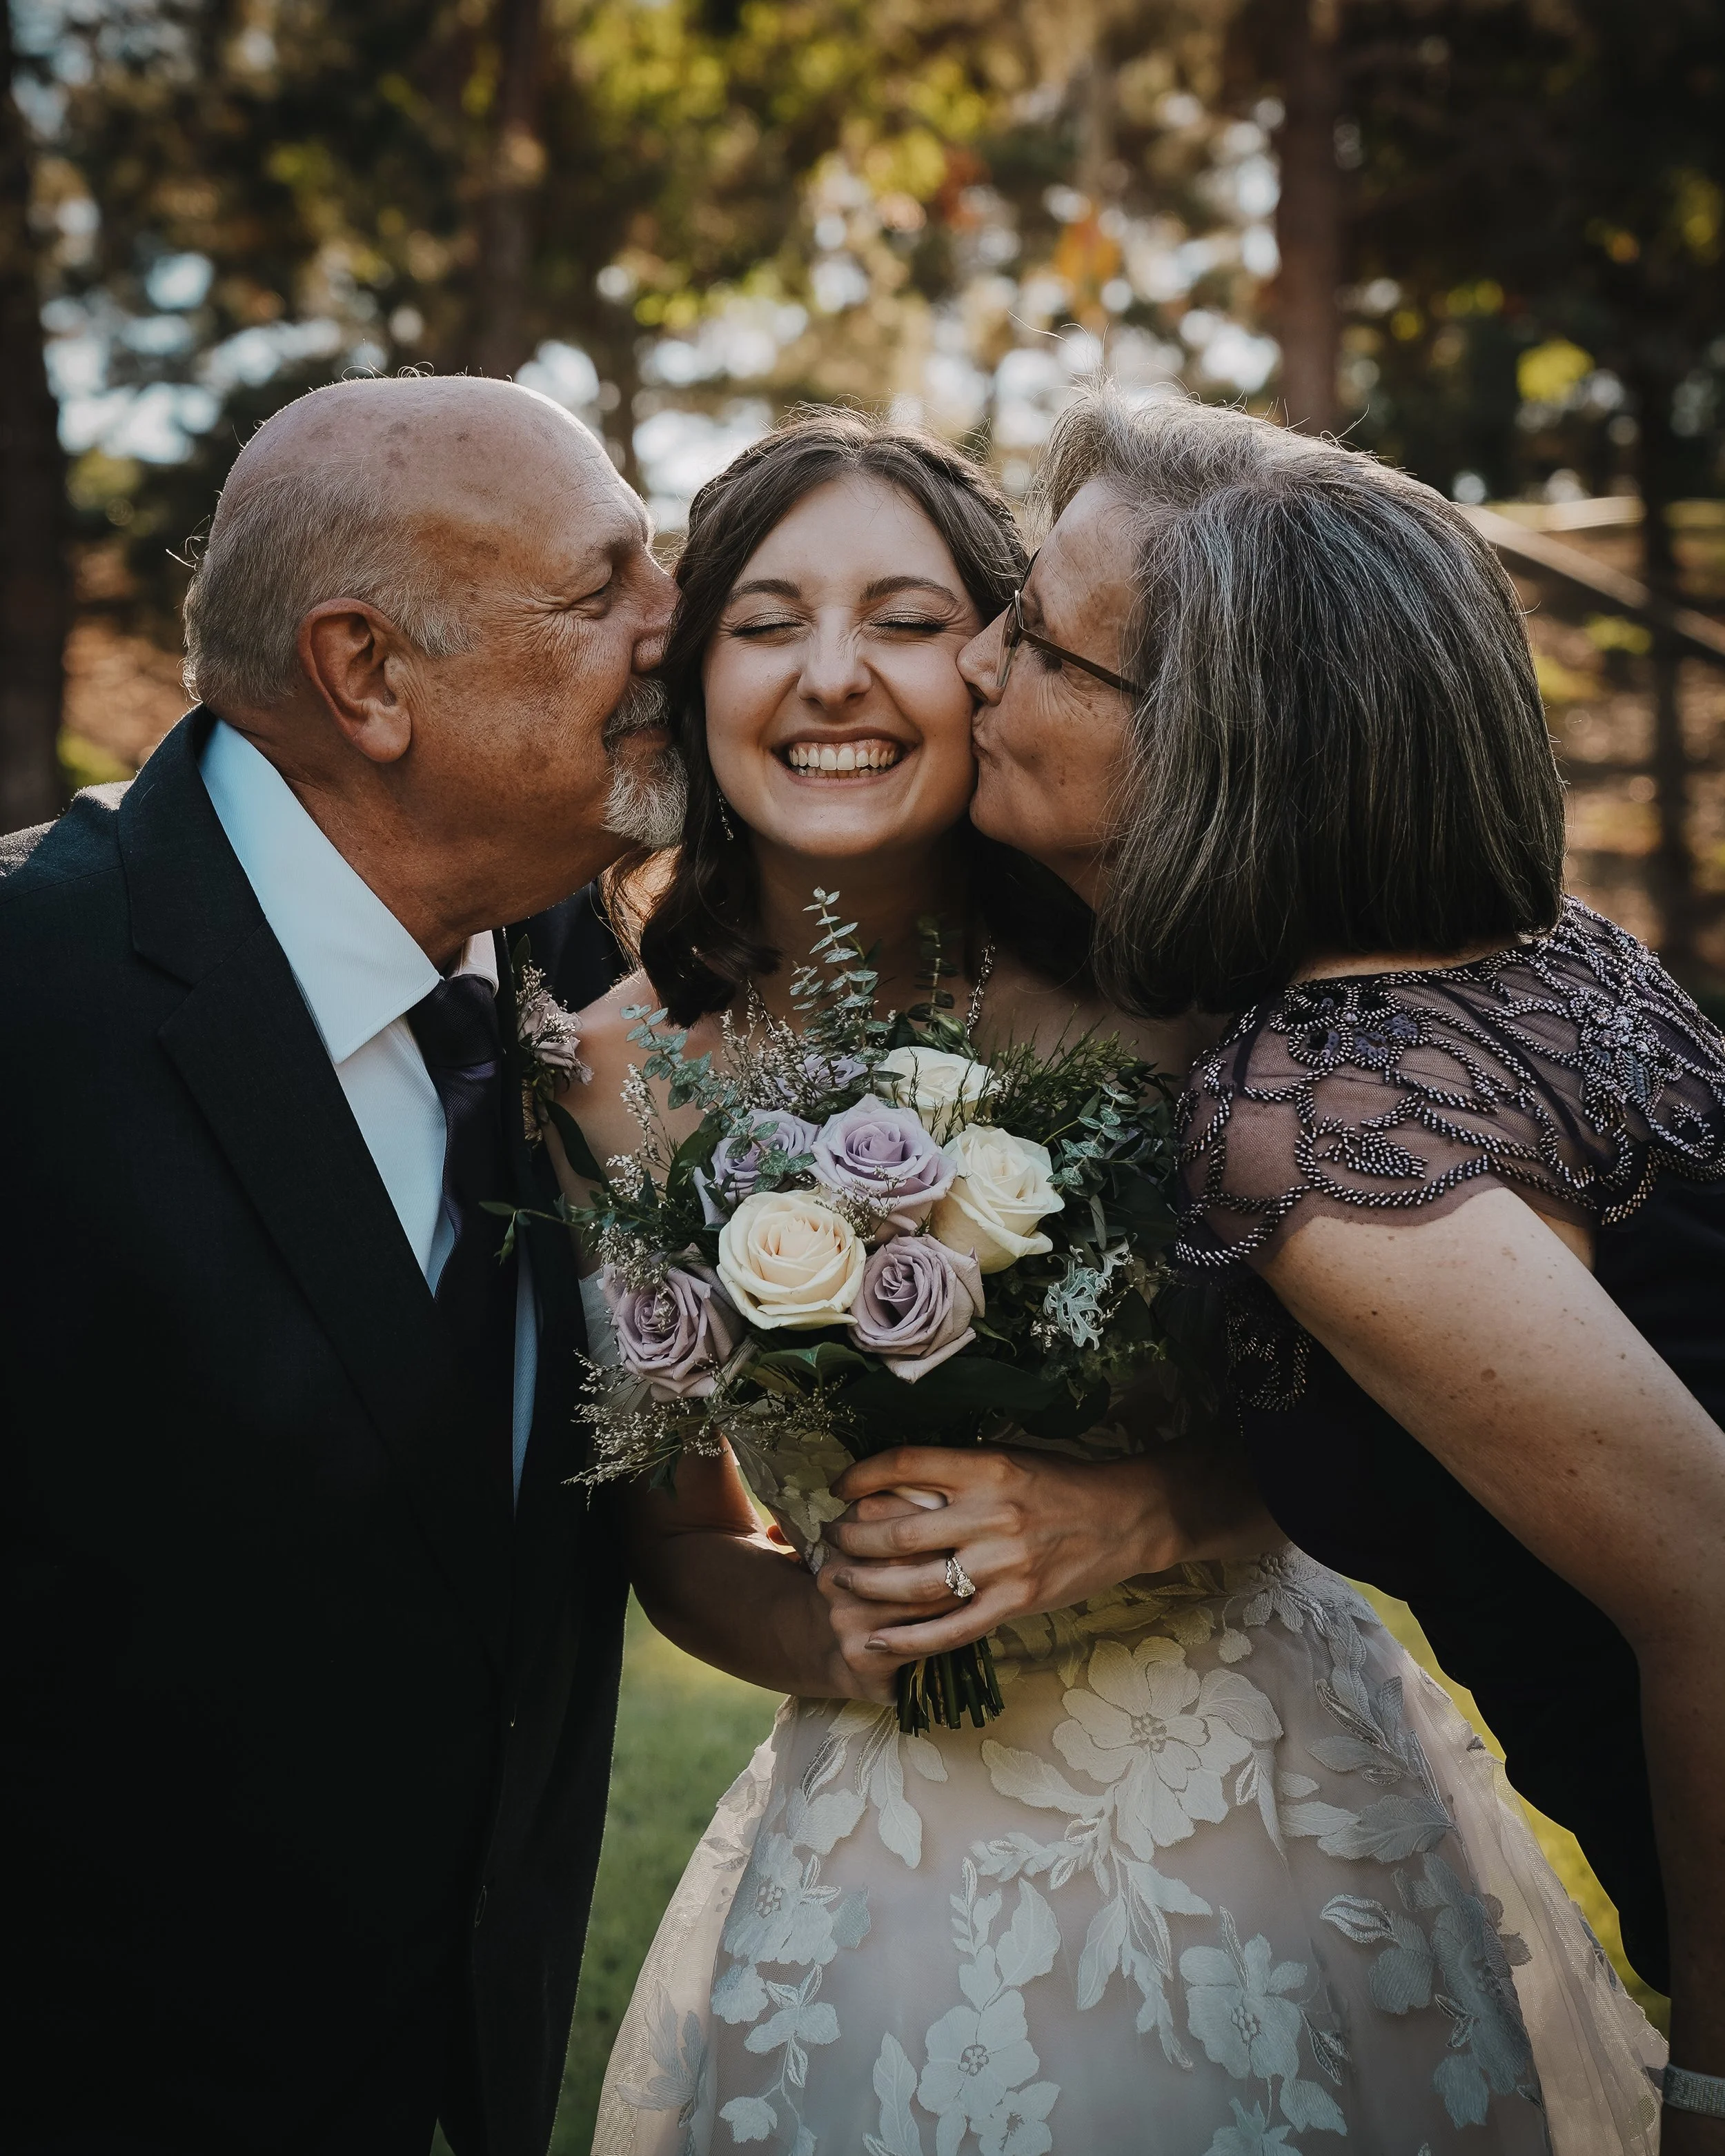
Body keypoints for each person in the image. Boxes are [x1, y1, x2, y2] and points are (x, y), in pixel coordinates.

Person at [576, 411, 1664, 2155]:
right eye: (765, 620)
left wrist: (1144, 1513)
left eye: (912, 620)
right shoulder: (600, 1077)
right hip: (888, 1852)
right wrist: (821, 1630)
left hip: (1261, 1795)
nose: (830, 675)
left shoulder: (1197, 999)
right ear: (693, 672)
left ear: (1004, 668)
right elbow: (677, 1535)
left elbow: (1413, 1425)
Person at [891, 382, 1725, 2146]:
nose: (971, 660)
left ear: (1208, 743)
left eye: (1035, 640)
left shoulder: (1322, 1120)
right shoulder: (1541, 961)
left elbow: (1714, 1585)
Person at [0, 375, 684, 2155]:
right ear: (367, 674)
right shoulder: (24, 1000)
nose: (674, 623)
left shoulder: (573, 970)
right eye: (605, 584)